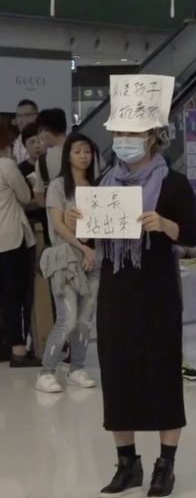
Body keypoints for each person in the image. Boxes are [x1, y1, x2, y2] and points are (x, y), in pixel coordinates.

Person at [85, 79, 196, 497]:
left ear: (153, 136)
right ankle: (126, 462)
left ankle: (164, 465)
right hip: (115, 293)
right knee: (117, 374)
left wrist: (165, 225)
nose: (124, 141)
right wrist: (79, 221)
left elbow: (190, 234)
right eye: (119, 133)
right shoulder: (105, 182)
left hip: (157, 294)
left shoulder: (173, 184)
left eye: (133, 133)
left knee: (161, 373)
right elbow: (95, 239)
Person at [34, 134, 100, 393]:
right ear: (68, 156)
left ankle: (77, 368)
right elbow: (58, 225)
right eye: (78, 151)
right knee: (68, 318)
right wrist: (82, 246)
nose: (84, 156)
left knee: (85, 320)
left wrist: (90, 249)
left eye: (87, 151)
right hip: (65, 260)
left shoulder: (97, 187)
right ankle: (46, 372)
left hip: (95, 258)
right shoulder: (59, 186)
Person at [0, 150, 41, 367]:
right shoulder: (6, 165)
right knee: (16, 295)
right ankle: (18, 350)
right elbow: (25, 197)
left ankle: (5, 347)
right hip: (11, 239)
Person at [36, 108, 69, 188]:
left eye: (39, 131)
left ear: (45, 130)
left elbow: (40, 194)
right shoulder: (89, 150)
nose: (39, 136)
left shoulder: (43, 161)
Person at [12, 99, 39, 163]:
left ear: (37, 116)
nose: (21, 120)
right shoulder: (17, 142)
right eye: (19, 116)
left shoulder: (44, 141)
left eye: (27, 115)